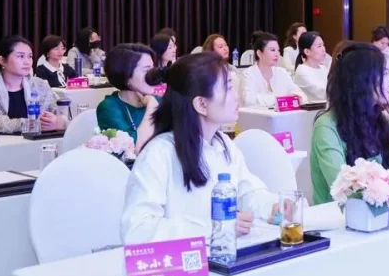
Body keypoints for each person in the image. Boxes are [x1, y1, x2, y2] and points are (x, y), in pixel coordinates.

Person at [121, 53, 283, 244]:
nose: (236, 96)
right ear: (202, 104)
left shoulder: (223, 143)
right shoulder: (159, 154)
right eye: (228, 88)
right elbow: (138, 230)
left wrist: (273, 206)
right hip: (183, 260)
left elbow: (247, 191)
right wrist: (213, 227)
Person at [310, 42, 389, 205]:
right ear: (363, 80)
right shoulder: (326, 126)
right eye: (385, 74)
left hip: (378, 212)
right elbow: (345, 189)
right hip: (336, 216)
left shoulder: (378, 119)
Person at [0, 35, 66, 134]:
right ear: (2, 60)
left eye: (30, 56)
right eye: (20, 56)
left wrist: (58, 122)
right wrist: (30, 124)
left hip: (40, 141)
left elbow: (60, 113)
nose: (27, 62)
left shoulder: (40, 85)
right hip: (3, 142)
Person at [96, 44, 160, 151]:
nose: (154, 75)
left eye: (153, 68)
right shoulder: (110, 108)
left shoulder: (159, 101)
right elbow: (133, 150)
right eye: (147, 70)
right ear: (127, 76)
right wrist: (152, 107)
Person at [243, 32, 307, 107]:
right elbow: (249, 100)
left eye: (278, 50)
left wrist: (296, 97)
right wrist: (280, 98)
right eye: (272, 50)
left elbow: (300, 94)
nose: (277, 54)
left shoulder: (282, 72)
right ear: (259, 53)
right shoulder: (248, 74)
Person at [202, 34, 242, 103]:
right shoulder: (206, 71)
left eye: (226, 45)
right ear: (212, 51)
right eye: (220, 47)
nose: (225, 48)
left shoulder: (232, 68)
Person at [293, 31, 329, 102]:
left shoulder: (323, 68)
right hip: (313, 108)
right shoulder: (302, 71)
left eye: (323, 45)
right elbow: (322, 93)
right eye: (319, 46)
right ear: (307, 51)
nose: (323, 49)